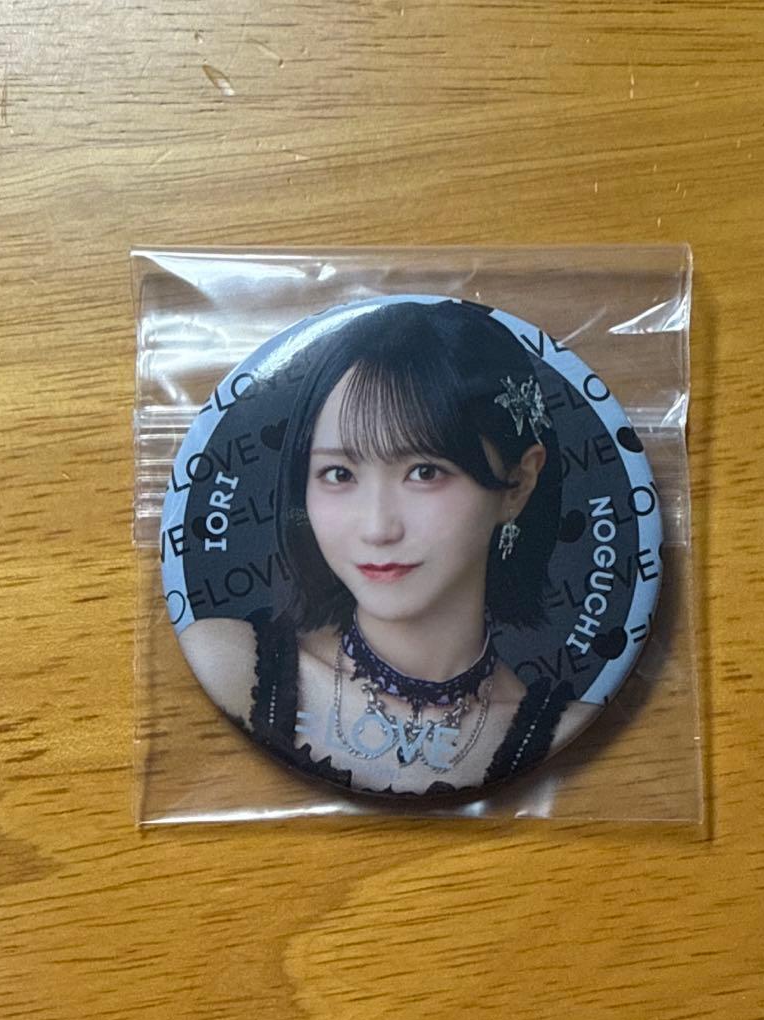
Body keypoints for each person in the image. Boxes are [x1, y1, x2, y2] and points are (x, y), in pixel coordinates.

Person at [178, 300, 597, 797]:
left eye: (425, 472)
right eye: (339, 474)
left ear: (517, 484)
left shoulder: (571, 735)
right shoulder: (227, 663)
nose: (378, 528)